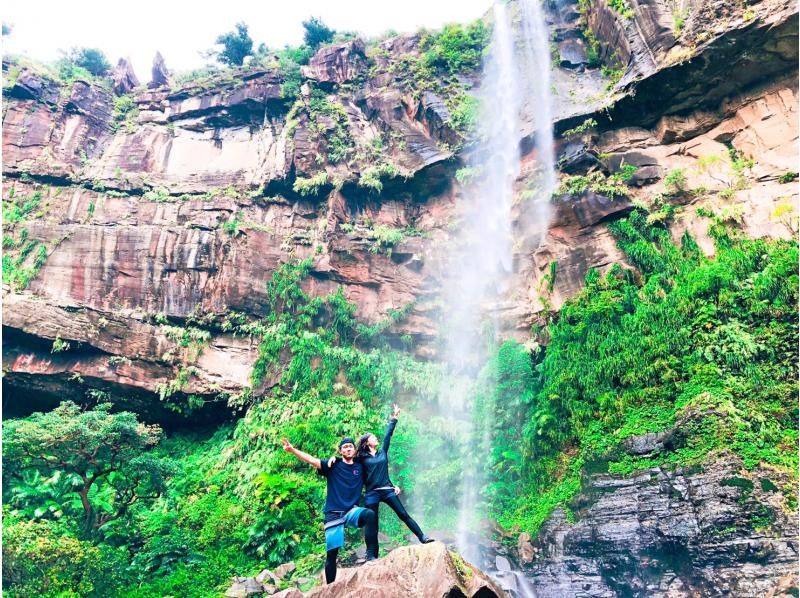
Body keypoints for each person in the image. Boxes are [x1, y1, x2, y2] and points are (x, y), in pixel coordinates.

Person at [281, 436, 378, 584]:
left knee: (370, 515)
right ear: (340, 451)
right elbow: (312, 460)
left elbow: (377, 471)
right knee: (332, 554)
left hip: (351, 511)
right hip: (333, 514)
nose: (348, 448)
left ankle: (370, 556)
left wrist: (391, 487)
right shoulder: (333, 465)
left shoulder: (360, 466)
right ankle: (330, 587)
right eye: (345, 447)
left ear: (354, 449)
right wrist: (292, 450)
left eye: (351, 446)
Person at [356, 404, 434, 544]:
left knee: (403, 514)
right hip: (372, 493)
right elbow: (349, 464)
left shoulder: (382, 452)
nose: (376, 439)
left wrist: (395, 417)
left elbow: (388, 436)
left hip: (387, 490)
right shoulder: (361, 458)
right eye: (373, 438)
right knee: (372, 523)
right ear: (367, 443)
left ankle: (422, 537)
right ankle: (371, 555)